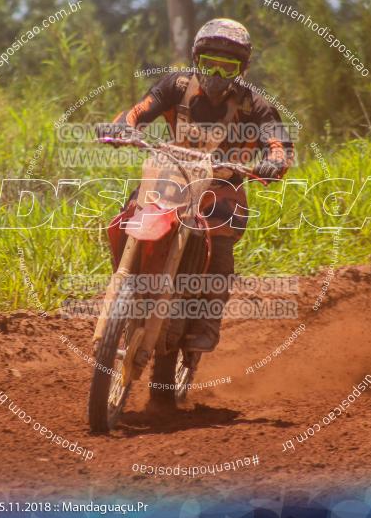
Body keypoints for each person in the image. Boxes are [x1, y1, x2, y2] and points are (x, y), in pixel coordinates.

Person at [100, 18, 294, 353]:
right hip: (170, 176)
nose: (217, 75)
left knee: (219, 241)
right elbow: (137, 112)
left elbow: (280, 145)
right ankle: (129, 281)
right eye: (210, 64)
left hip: (222, 188)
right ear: (196, 60)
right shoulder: (176, 86)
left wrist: (273, 163)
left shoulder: (256, 106)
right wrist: (122, 128)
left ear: (241, 69)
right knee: (129, 214)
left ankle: (206, 322)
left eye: (227, 67)